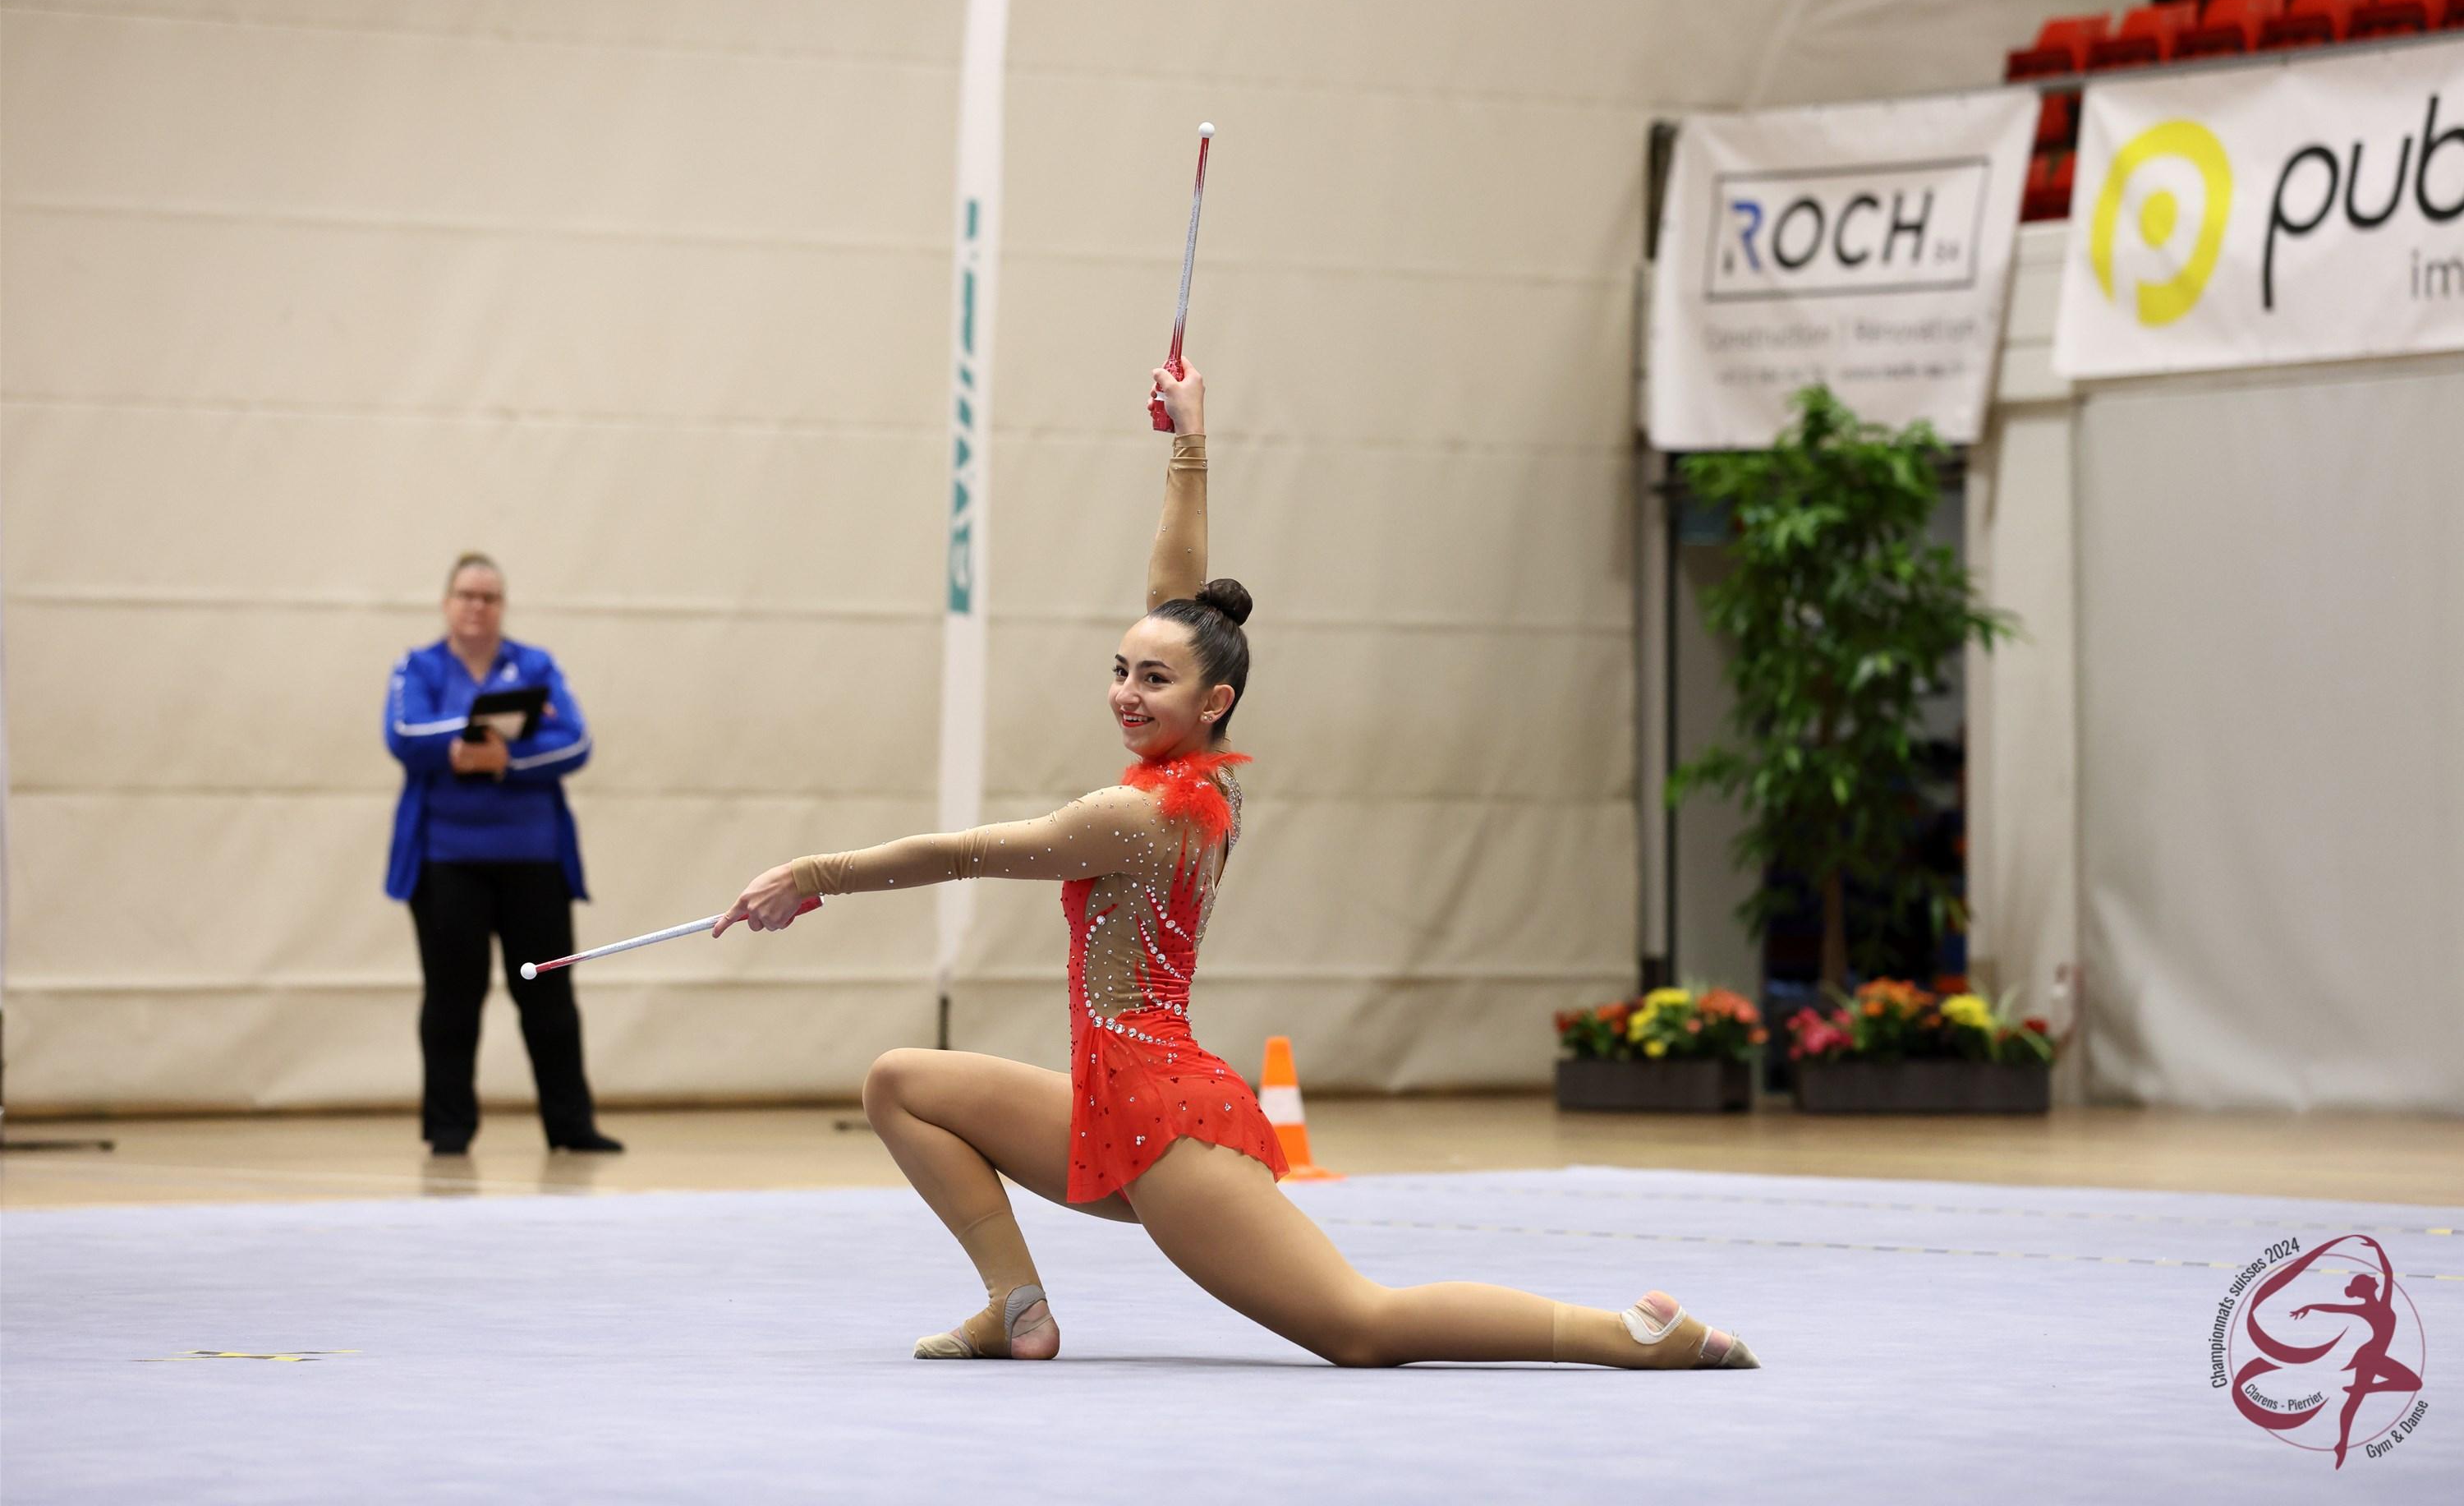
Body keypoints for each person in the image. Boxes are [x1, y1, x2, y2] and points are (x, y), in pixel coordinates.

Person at [715, 365, 1757, 1370]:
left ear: (1212, 703)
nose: (1127, 693)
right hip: (1107, 1095)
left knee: (1360, 1325)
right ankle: (1017, 1306)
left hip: (1163, 1122)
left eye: (1153, 679)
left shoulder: (1134, 816)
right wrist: (1189, 439)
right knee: (903, 1082)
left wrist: (813, 873)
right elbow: (1181, 600)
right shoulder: (1189, 772)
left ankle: (1629, 1334)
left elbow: (962, 854)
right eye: (1120, 670)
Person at [384, 553, 621, 1157]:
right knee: (452, 1000)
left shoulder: (536, 665)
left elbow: (575, 741)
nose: (477, 607)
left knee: (550, 999)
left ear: (502, 607)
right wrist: (485, 729)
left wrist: (505, 759)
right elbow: (405, 735)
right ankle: (449, 1130)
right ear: (447, 603)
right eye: (467, 595)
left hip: (534, 861)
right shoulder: (418, 666)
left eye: (489, 598)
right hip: (446, 863)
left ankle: (571, 1126)